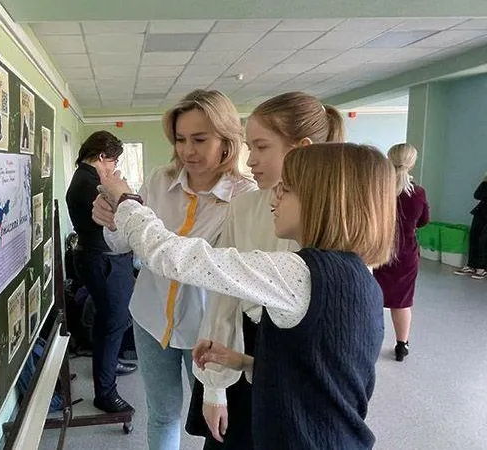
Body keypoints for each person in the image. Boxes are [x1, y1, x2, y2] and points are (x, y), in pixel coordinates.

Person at [97, 143, 395, 450]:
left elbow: (173, 257)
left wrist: (126, 199)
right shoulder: (358, 277)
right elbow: (318, 376)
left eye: (287, 189)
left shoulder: (300, 275)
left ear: (325, 202)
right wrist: (245, 362)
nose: (275, 197)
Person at [180, 92, 345, 449]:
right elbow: (224, 296)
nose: (250, 161)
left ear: (301, 148)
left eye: (261, 147)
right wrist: (215, 386)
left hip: (304, 368)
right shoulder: (244, 207)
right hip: (245, 347)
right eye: (248, 147)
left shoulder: (337, 223)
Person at [100, 90, 256, 449]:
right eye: (181, 139)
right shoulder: (159, 180)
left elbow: (201, 268)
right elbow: (123, 247)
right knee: (162, 414)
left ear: (227, 139)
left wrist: (129, 214)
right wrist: (110, 222)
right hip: (150, 317)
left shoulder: (244, 198)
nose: (188, 151)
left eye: (200, 139)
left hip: (206, 328)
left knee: (215, 420)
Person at [65, 131, 138, 414]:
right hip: (104, 261)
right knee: (113, 323)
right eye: (113, 160)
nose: (113, 167)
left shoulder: (85, 178)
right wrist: (123, 189)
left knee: (109, 322)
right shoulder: (90, 183)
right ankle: (105, 394)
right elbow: (123, 213)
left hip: (99, 258)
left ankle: (111, 361)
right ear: (102, 156)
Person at [373, 143, 430, 361]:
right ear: (412, 162)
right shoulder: (418, 193)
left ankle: (372, 340)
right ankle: (401, 346)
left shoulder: (379, 189)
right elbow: (424, 221)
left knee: (374, 297)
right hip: (406, 255)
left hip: (379, 251)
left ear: (388, 159)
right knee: (402, 301)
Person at [454, 172, 487, 280]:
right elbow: (477, 195)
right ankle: (471, 265)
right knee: (473, 237)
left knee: (484, 240)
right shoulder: (485, 183)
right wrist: (484, 181)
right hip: (481, 213)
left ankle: (482, 268)